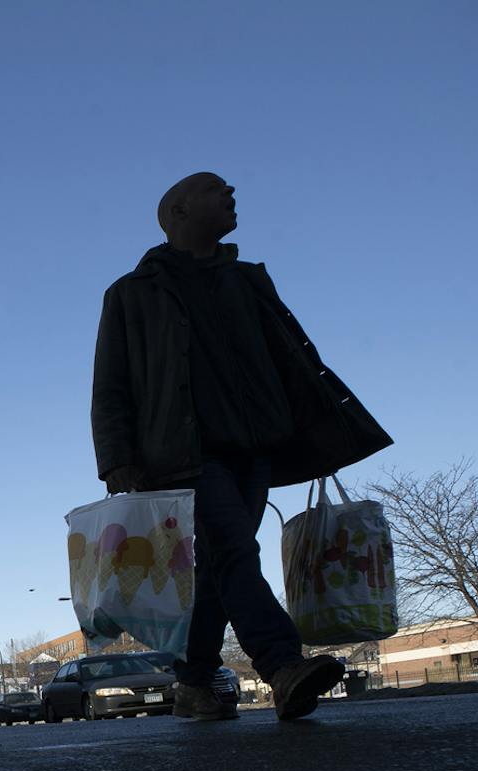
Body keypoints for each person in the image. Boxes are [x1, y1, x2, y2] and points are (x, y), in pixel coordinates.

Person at [92, 172, 391, 723]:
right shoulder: (133, 294)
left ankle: (194, 682)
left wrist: (313, 428)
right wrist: (116, 459)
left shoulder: (249, 281)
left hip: (254, 449)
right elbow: (111, 383)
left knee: (218, 569)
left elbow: (291, 362)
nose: (231, 196)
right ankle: (281, 665)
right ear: (178, 212)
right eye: (216, 190)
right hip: (179, 454)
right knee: (234, 550)